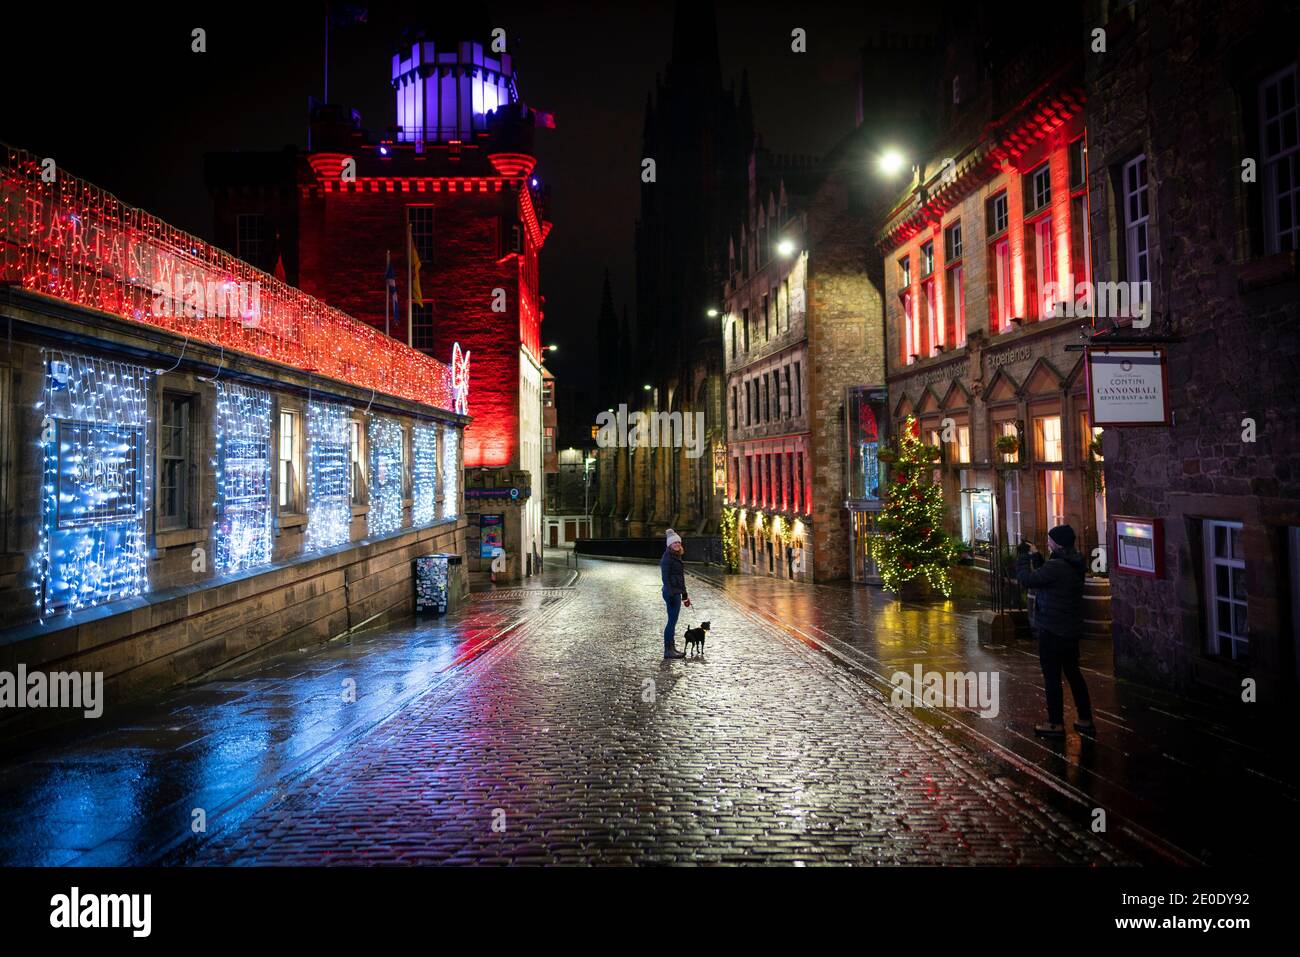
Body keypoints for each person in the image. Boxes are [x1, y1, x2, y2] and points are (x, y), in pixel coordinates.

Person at [1015, 524, 1095, 738]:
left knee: (1052, 676)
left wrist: (1023, 558)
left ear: (1057, 544)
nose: (1047, 542)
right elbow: (1050, 577)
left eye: (1050, 540)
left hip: (1052, 628)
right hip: (1069, 628)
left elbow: (1028, 580)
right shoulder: (1073, 561)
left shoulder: (1058, 566)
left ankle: (1055, 723)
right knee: (1073, 673)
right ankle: (1085, 719)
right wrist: (1037, 557)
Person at [660, 528, 690, 659]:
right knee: (671, 622)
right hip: (671, 593)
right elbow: (665, 577)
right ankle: (668, 650)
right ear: (669, 545)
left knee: (673, 621)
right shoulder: (668, 558)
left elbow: (680, 578)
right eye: (674, 543)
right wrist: (672, 593)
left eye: (678, 542)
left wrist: (685, 595)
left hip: (676, 593)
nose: (677, 545)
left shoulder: (675, 556)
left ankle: (672, 648)